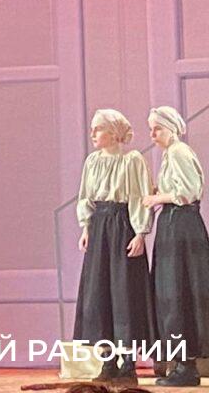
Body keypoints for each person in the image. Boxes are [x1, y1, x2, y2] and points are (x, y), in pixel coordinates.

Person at [74, 109, 156, 386]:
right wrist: (86, 228)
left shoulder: (132, 160)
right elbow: (86, 196)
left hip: (122, 226)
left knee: (124, 292)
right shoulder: (92, 161)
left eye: (98, 129)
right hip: (99, 227)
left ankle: (128, 363)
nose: (93, 134)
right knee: (99, 292)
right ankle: (108, 361)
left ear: (113, 132)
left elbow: (139, 196)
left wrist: (140, 233)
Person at [141, 106, 208, 387]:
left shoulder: (179, 152)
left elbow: (188, 192)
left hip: (181, 228)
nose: (153, 134)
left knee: (180, 292)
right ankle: (182, 362)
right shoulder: (171, 154)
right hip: (174, 226)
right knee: (173, 293)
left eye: (157, 128)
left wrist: (156, 199)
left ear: (170, 128)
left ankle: (186, 365)